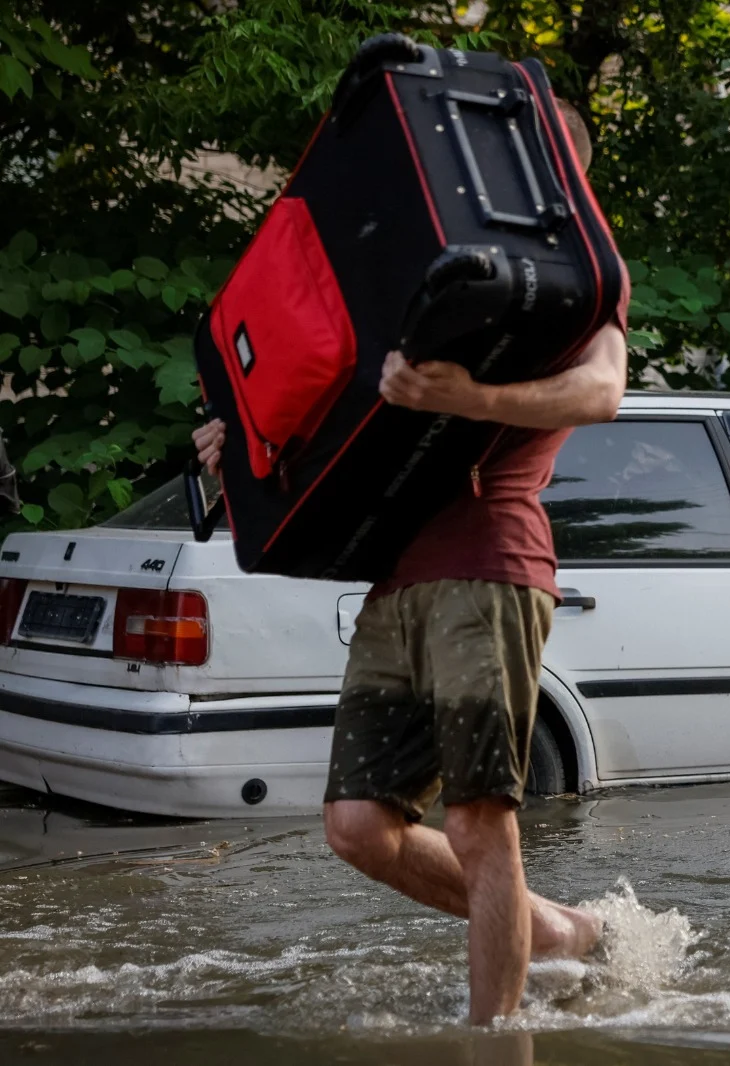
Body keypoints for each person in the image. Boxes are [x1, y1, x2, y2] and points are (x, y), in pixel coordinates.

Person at [194, 100, 626, 1024]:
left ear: (561, 170)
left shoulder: (580, 277)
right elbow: (343, 407)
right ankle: (559, 933)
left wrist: (477, 397)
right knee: (358, 828)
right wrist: (246, 448)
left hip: (489, 563)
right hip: (397, 580)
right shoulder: (425, 266)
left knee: (479, 822)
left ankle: (492, 1040)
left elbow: (602, 390)